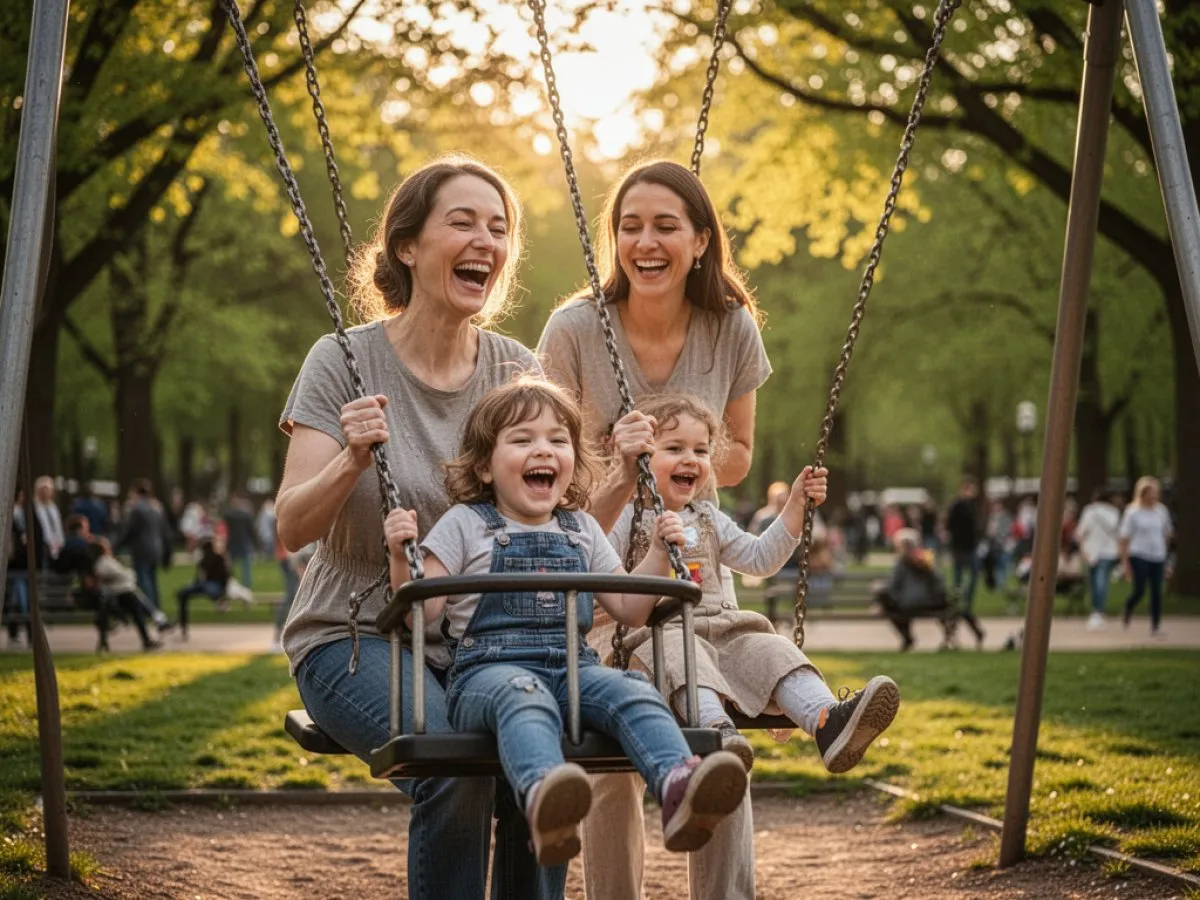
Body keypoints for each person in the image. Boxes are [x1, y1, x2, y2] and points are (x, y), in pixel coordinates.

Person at [275, 156, 557, 899]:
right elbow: (289, 527)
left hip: (479, 634)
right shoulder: (342, 360)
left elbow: (555, 504)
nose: (485, 242)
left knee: (540, 759)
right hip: (358, 630)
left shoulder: (516, 370)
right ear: (407, 246)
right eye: (462, 222)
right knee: (454, 763)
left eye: (499, 229)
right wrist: (350, 463)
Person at [535, 159, 773, 900]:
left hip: (694, 580)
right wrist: (617, 459)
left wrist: (683, 461)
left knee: (718, 744)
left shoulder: (730, 327)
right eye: (629, 226)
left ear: (701, 240)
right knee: (609, 758)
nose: (645, 242)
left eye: (665, 226)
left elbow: (737, 456)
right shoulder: (575, 329)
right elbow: (543, 475)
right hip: (601, 575)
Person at [387, 380, 748, 868]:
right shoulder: (464, 523)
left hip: (575, 672)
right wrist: (398, 555)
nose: (544, 450)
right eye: (522, 440)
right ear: (482, 466)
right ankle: (545, 798)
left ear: (573, 460)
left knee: (631, 691)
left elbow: (629, 608)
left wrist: (661, 554)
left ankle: (679, 787)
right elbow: (422, 611)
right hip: (487, 677)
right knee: (523, 695)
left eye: (558, 440)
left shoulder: (580, 528)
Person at [611, 394, 899, 773]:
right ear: (643, 457)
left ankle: (830, 722)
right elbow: (612, 590)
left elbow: (760, 559)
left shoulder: (710, 517)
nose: (690, 458)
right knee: (682, 656)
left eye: (701, 450)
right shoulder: (625, 519)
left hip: (725, 629)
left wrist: (795, 506)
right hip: (662, 637)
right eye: (674, 447)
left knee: (772, 649)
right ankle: (717, 735)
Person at [874, 528, 952, 651]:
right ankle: (907, 637)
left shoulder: (918, 561)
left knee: (885, 600)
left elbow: (893, 585)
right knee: (888, 602)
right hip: (925, 602)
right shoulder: (923, 559)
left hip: (910, 604)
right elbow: (939, 583)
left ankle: (907, 637)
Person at [1119, 476, 1174, 638]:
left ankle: (1155, 626)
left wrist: (1167, 557)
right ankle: (1129, 607)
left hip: (1158, 555)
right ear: (1142, 494)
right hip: (1139, 554)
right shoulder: (1133, 512)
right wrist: (1125, 562)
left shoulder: (1161, 511)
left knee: (1157, 591)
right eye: (1151, 493)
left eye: (1156, 493)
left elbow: (1167, 534)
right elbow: (1124, 538)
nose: (1154, 496)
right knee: (1140, 589)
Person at [943, 477, 985, 649]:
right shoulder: (958, 505)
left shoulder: (970, 506)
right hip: (962, 548)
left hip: (969, 547)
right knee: (962, 575)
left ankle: (964, 597)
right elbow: (950, 525)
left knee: (973, 574)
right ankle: (960, 595)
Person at [116, 480, 171, 609]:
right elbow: (164, 531)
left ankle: (148, 607)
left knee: (143, 579)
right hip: (156, 548)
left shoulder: (137, 509)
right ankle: (156, 606)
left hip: (141, 548)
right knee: (152, 579)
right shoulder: (156, 508)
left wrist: (117, 545)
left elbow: (130, 531)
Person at [33, 476, 64, 562]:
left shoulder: (53, 508)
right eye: (44, 489)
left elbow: (58, 526)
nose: (46, 492)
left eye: (49, 489)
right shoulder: (34, 507)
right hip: (41, 546)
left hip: (56, 545)